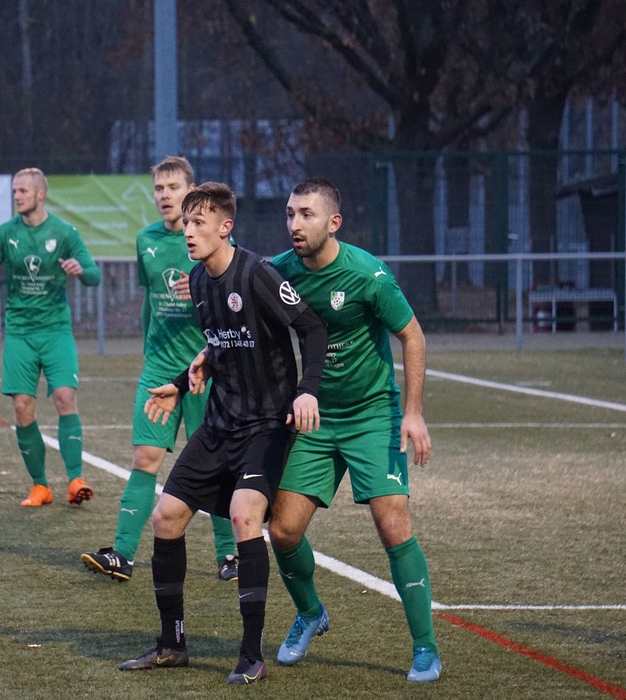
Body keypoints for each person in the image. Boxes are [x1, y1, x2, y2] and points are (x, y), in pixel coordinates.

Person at [119, 182, 328, 685]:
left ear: (225, 227)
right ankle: (172, 645)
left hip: (265, 425)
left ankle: (251, 654)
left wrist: (307, 390)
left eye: (199, 223)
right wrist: (180, 382)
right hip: (219, 422)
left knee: (243, 515)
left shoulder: (258, 274)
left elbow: (313, 329)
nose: (189, 232)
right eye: (186, 223)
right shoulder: (199, 280)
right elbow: (220, 345)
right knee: (166, 518)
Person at [268, 177, 440, 682]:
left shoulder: (369, 275)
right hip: (314, 417)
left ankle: (425, 648)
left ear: (334, 222)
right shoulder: (278, 273)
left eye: (307, 214)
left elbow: (412, 336)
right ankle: (310, 613)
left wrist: (412, 412)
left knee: (393, 525)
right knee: (283, 530)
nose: (295, 224)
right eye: (290, 213)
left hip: (372, 415)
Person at [81, 157, 237, 582]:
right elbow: (150, 302)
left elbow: (233, 304)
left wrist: (203, 290)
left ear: (191, 192)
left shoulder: (211, 240)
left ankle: (229, 555)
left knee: (217, 462)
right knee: (145, 457)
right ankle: (122, 555)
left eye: (173, 187)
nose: (165, 195)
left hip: (204, 370)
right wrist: (148, 352)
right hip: (159, 367)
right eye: (159, 188)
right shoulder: (145, 240)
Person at [0, 167, 100, 507]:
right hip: (20, 333)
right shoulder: (5, 233)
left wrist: (80, 270)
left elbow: (94, 275)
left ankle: (75, 479)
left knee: (64, 398)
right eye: (15, 191)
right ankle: (40, 486)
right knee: (21, 407)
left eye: (23, 191)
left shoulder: (64, 232)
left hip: (56, 331)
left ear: (41, 195)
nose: (17, 196)